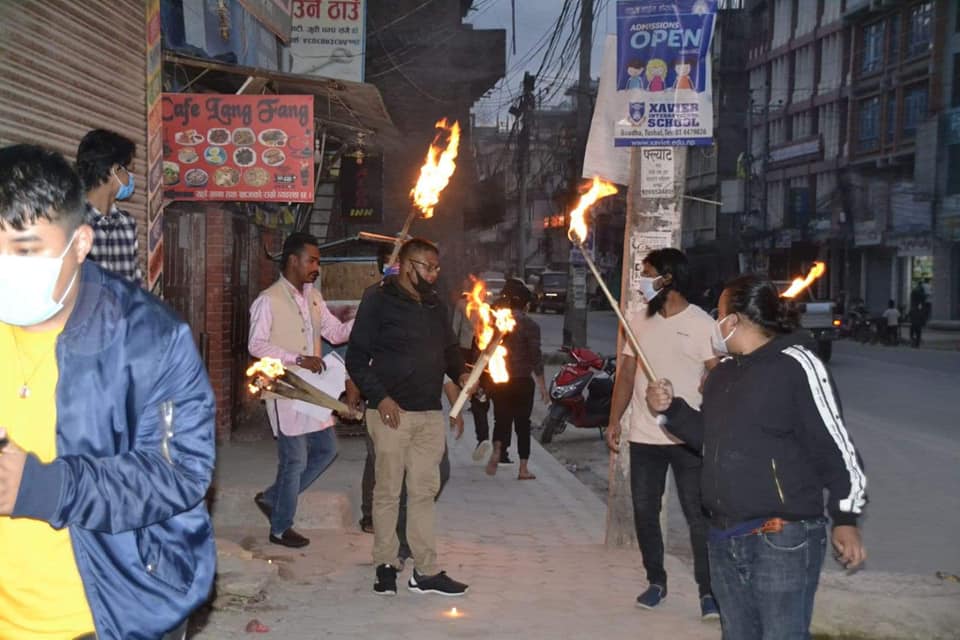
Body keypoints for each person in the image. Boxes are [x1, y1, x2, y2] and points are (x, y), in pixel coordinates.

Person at [0, 144, 215, 639]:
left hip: (107, 617)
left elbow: (179, 472)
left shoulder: (150, 341)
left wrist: (44, 487)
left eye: (26, 250)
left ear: (79, 244)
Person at [647, 274, 868, 640]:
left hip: (781, 537)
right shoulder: (722, 374)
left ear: (734, 320)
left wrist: (846, 517)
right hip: (723, 537)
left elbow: (835, 445)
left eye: (718, 313)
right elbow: (711, 440)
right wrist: (671, 410)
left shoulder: (797, 365)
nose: (715, 322)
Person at [347, 237, 471, 597]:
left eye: (436, 268)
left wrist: (461, 372)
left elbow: (449, 349)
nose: (434, 274)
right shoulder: (378, 298)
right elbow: (356, 358)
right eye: (427, 267)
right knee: (387, 491)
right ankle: (385, 565)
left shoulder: (434, 303)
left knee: (423, 492)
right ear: (405, 265)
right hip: (391, 413)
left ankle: (425, 571)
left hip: (429, 413)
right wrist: (380, 397)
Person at [605, 248, 719, 619]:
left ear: (667, 278)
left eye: (648, 272)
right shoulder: (638, 320)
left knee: (697, 516)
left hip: (688, 439)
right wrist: (614, 420)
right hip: (644, 436)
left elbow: (718, 373)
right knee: (644, 511)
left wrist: (708, 385)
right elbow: (626, 374)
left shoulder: (702, 323)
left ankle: (708, 592)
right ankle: (656, 581)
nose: (642, 280)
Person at [248, 232, 355, 548]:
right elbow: (256, 344)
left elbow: (336, 334)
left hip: (314, 390)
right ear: (293, 260)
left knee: (326, 451)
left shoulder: (314, 297)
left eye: (318, 262)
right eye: (312, 261)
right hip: (285, 389)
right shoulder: (268, 300)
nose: (316, 268)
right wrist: (296, 358)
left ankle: (272, 498)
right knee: (294, 460)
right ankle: (280, 528)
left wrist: (365, 317)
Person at [485, 278, 548, 480]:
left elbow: (488, 350)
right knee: (523, 424)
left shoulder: (499, 322)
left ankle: (498, 447)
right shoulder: (531, 326)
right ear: (526, 304)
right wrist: (542, 386)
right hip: (523, 381)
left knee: (501, 418)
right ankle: (523, 468)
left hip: (501, 379)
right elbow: (536, 356)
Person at [75, 129, 142, 283]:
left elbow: (135, 285)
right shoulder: (71, 222)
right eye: (128, 171)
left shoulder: (128, 224)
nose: (131, 178)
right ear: (115, 170)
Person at [451, 284, 493, 462]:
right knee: (480, 394)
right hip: (480, 352)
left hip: (470, 351)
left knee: (475, 394)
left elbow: (455, 329)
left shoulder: (463, 305)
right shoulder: (485, 306)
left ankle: (482, 436)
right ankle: (483, 435)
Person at [909, 281, 928, 348]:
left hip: (914, 321)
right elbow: (923, 299)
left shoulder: (915, 291)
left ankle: (913, 342)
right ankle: (916, 343)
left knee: (912, 332)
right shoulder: (921, 291)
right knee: (918, 333)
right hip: (918, 321)